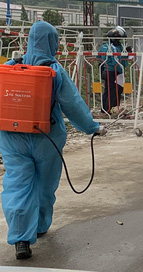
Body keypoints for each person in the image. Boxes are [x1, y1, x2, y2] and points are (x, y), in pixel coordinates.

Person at [0, 21, 107, 260]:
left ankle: (20, 239)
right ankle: (39, 226)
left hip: (12, 139)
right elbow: (73, 105)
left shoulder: (9, 66)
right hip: (46, 139)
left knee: (17, 185)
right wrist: (92, 128)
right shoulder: (54, 70)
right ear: (53, 43)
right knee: (45, 186)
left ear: (28, 40)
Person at [99, 26, 128, 114]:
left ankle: (113, 107)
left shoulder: (120, 46)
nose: (118, 41)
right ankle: (107, 109)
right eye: (117, 39)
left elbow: (123, 57)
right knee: (111, 90)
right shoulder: (109, 47)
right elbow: (116, 61)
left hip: (117, 71)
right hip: (111, 71)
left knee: (118, 89)